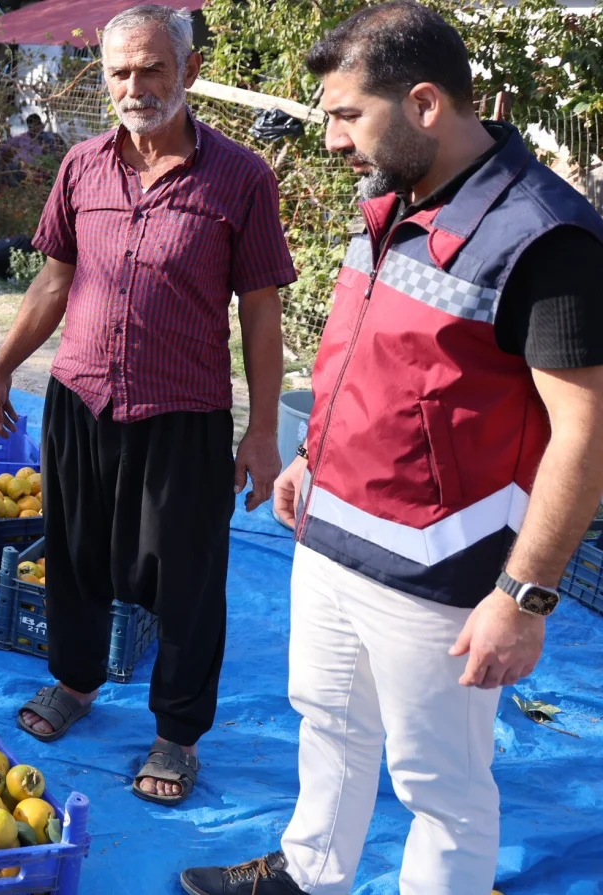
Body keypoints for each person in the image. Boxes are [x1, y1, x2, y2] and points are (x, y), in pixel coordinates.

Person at [181, 4, 603, 894]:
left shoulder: (546, 237)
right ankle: (309, 869)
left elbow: (586, 434)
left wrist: (522, 597)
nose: (332, 139)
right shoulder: (390, 199)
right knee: (327, 720)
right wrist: (309, 456)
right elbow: (370, 357)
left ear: (421, 105)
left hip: (441, 576)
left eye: (346, 116)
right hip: (331, 538)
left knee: (439, 785)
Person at [0, 4, 295, 805]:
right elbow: (53, 279)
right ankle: (77, 684)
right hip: (80, 398)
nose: (135, 85)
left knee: (187, 578)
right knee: (76, 557)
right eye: (120, 71)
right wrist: (2, 366)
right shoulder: (82, 166)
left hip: (181, 412)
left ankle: (176, 734)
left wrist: (261, 431)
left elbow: (261, 312)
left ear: (187, 71)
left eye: (152, 68)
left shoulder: (242, 178)